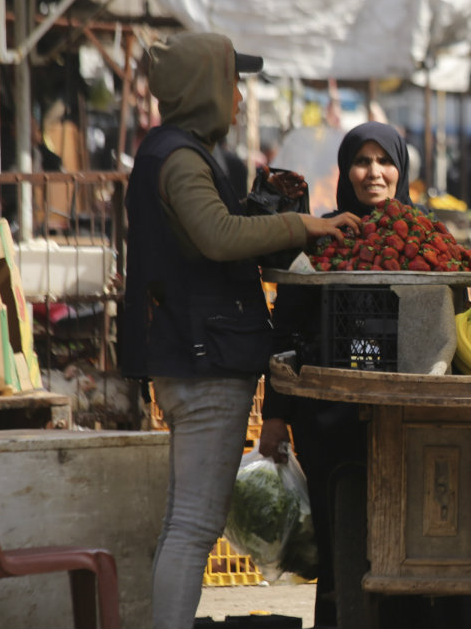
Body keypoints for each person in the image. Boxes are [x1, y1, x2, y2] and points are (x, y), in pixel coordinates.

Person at [119, 33, 359, 629]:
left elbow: (216, 231)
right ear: (205, 90)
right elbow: (218, 236)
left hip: (194, 352)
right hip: (203, 360)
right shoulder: (178, 158)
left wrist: (269, 211)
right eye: (232, 85)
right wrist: (300, 226)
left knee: (184, 519)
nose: (240, 99)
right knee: (194, 524)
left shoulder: (178, 152)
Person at [259, 122, 471, 629]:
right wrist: (275, 418)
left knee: (432, 521)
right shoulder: (321, 236)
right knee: (346, 534)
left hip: (420, 404)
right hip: (331, 410)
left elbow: (458, 320)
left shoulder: (427, 232)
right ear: (345, 171)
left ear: (401, 168)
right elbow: (286, 329)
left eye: (384, 161)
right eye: (361, 162)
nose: (374, 173)